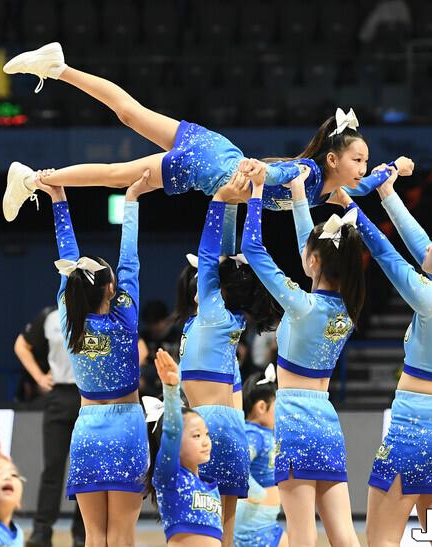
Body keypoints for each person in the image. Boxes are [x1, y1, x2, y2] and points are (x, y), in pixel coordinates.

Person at [0, 43, 414, 221]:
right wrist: (261, 172)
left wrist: (395, 167)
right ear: (333, 159)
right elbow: (280, 173)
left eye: (364, 161)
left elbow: (369, 184)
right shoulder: (308, 173)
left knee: (131, 114)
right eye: (357, 160)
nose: (363, 168)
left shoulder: (336, 187)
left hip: (217, 149)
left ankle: (58, 66)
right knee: (117, 175)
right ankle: (33, 179)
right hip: (208, 168)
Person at [328, 167, 432, 547]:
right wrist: (387, 194)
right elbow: (421, 249)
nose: (430, 245)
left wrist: (352, 208)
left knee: (381, 541)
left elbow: (390, 259)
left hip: (414, 428)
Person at [242, 169, 364, 547]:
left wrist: (256, 193)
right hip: (326, 417)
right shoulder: (347, 309)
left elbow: (252, 250)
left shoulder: (302, 306)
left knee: (302, 535)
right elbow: (310, 253)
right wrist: (297, 195)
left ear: (313, 261)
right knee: (344, 534)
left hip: (294, 417)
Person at [36, 170, 154, 546]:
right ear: (112, 287)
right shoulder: (125, 318)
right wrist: (131, 200)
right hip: (126, 427)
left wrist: (58, 199)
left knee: (94, 536)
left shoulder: (69, 320)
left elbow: (67, 257)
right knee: (120, 536)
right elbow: (130, 260)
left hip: (87, 428)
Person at [179, 177, 280, 547]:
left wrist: (220, 200)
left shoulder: (213, 313)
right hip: (228, 424)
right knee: (225, 530)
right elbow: (223, 255)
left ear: (218, 287)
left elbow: (210, 254)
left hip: (206, 425)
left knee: (199, 525)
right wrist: (237, 203)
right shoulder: (226, 317)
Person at [13, 306, 85, 547]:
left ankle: (83, 533)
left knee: (85, 470)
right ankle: (42, 531)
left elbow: (138, 347)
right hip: (59, 395)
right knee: (52, 468)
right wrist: (39, 376)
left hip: (90, 397)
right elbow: (21, 345)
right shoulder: (50, 316)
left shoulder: (99, 311)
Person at [145, 348, 223, 545]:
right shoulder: (171, 477)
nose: (205, 441)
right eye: (196, 435)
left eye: (206, 434)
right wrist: (171, 389)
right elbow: (172, 433)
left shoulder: (209, 485)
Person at [234, 366, 287, 547]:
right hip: (253, 521)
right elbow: (239, 466)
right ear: (262, 407)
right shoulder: (254, 434)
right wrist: (256, 492)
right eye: (278, 408)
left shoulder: (263, 434)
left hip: (264, 520)